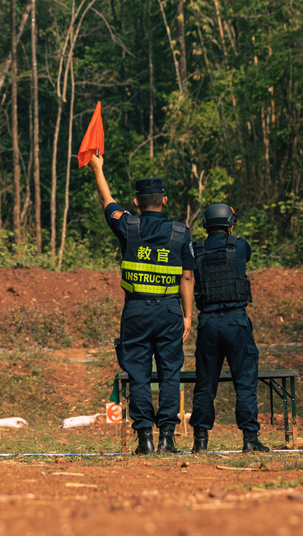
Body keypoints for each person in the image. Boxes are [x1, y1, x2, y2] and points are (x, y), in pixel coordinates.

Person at [88, 154, 195, 454]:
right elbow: (187, 277)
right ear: (164, 200)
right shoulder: (180, 232)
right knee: (170, 374)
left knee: (138, 375)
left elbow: (107, 200)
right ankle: (167, 439)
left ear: (136, 203)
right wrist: (187, 316)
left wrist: (98, 169)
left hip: (135, 312)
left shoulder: (128, 226)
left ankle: (145, 439)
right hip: (170, 311)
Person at [189, 203, 269, 453]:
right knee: (244, 382)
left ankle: (200, 441)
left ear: (206, 225)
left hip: (208, 323)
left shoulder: (196, 249)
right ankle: (249, 439)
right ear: (231, 225)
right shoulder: (240, 245)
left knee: (205, 384)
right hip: (236, 321)